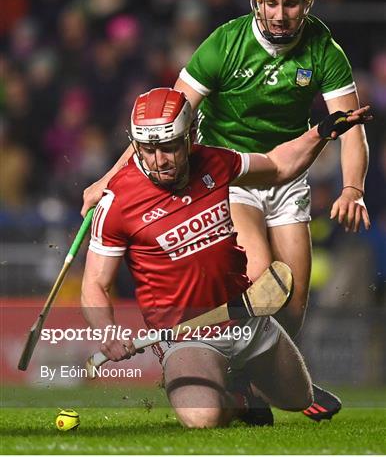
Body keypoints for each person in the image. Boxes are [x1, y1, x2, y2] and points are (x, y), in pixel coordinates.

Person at [81, 0, 370, 420]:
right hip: (227, 174)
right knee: (257, 274)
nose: (280, 14)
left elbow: (349, 125)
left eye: (291, 3)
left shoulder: (324, 50)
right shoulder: (224, 44)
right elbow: (167, 117)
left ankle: (256, 383)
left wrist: (352, 188)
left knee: (291, 299)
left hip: (285, 171)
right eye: (272, 2)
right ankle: (236, 384)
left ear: (308, 1)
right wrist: (108, 179)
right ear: (257, 0)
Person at [81, 87, 371, 428]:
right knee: (202, 418)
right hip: (187, 336)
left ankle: (241, 379)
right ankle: (237, 401)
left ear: (190, 136)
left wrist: (320, 133)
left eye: (170, 147)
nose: (159, 160)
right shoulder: (118, 204)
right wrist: (107, 330)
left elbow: (278, 166)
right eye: (148, 149)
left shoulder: (215, 162)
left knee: (299, 400)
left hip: (246, 318)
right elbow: (95, 285)